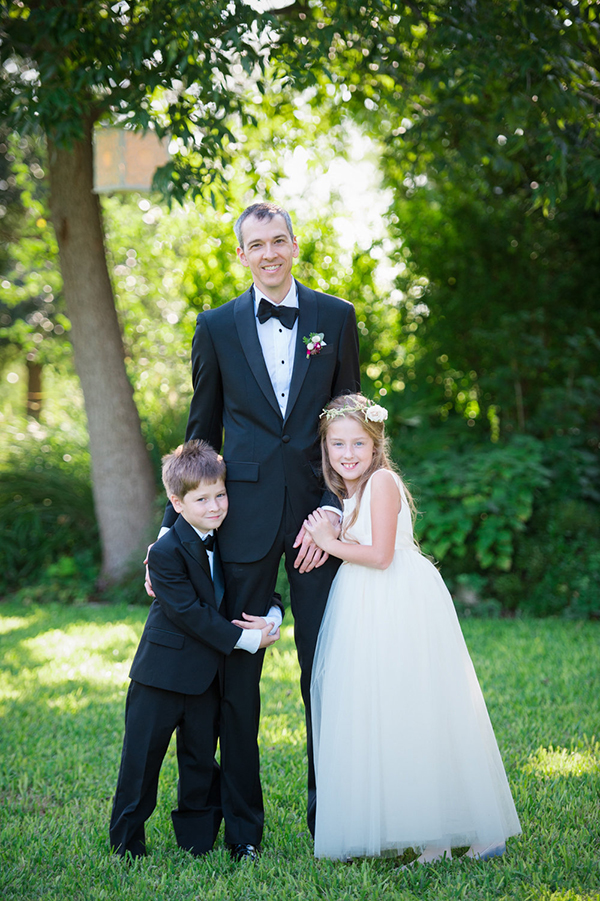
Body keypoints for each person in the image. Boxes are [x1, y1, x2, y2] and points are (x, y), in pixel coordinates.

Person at [155, 201, 361, 849]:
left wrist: (337, 508)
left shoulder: (336, 317)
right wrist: (174, 532)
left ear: (295, 245)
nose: (269, 253)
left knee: (323, 670)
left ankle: (334, 817)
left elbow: (349, 422)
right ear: (240, 254)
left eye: (279, 241)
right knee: (238, 677)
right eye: (256, 244)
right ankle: (243, 828)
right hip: (237, 522)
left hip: (317, 525)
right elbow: (200, 432)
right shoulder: (215, 326)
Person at [305, 394, 522, 862]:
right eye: (337, 444)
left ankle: (455, 835)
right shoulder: (354, 491)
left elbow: (381, 555)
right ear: (325, 448)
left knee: (417, 710)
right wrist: (333, 523)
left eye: (358, 443)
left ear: (376, 443)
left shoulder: (381, 481)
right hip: (369, 603)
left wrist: (329, 541)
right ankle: (434, 837)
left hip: (396, 600)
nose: (347, 454)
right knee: (392, 714)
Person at [110, 440, 280, 860]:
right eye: (201, 499)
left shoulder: (229, 543)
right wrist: (245, 640)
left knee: (199, 758)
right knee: (142, 758)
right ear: (177, 502)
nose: (215, 506)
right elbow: (189, 612)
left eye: (220, 495)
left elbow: (261, 590)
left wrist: (273, 616)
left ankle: (196, 841)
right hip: (161, 676)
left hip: (206, 678)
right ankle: (127, 842)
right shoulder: (164, 552)